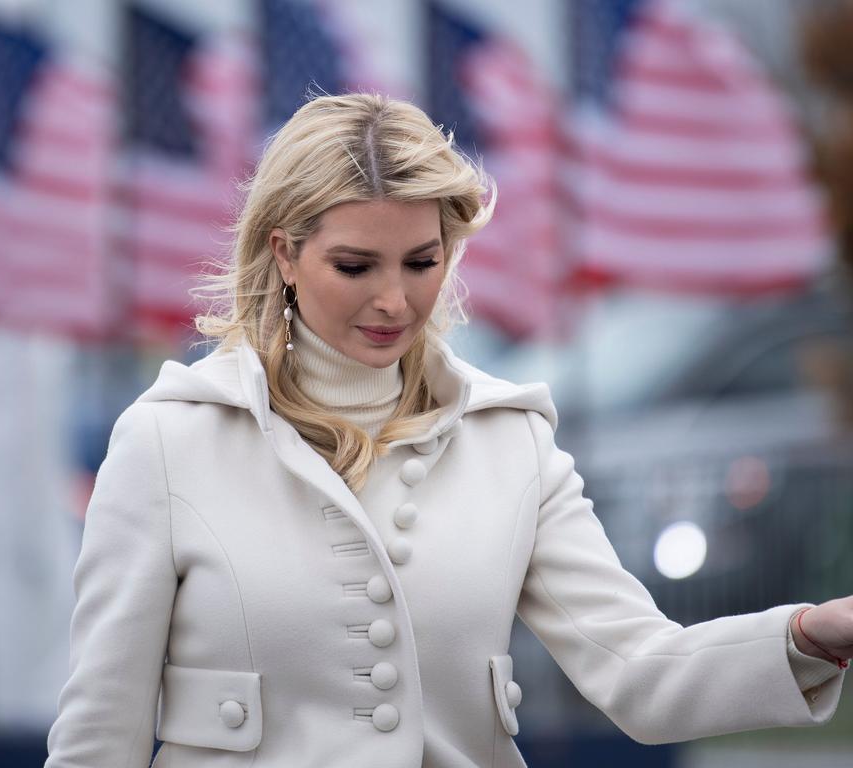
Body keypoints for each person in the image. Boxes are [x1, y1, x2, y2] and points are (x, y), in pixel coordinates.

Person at [44, 93, 850, 768]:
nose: (395, 300)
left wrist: (816, 632)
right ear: (285, 255)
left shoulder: (512, 442)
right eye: (357, 266)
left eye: (422, 263)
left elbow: (638, 671)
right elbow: (97, 740)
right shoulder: (166, 442)